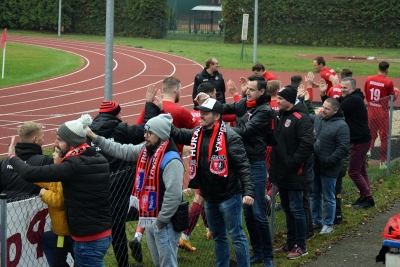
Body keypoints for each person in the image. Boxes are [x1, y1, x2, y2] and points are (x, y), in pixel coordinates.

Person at [8, 114, 112, 267]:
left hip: (87, 239)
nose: (55, 143)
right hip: (102, 234)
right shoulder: (99, 159)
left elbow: (29, 173)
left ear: (71, 143)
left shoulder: (73, 165)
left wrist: (12, 157)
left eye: (60, 140)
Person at [170, 97, 257, 267]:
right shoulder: (198, 133)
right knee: (218, 237)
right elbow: (177, 134)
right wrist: (159, 112)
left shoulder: (230, 136)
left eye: (205, 113)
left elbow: (243, 166)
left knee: (237, 236)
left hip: (229, 196)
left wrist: (248, 192)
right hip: (209, 196)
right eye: (200, 111)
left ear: (217, 116)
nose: (200, 115)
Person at [87, 114, 183, 267]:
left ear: (161, 135)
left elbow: (174, 196)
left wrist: (160, 222)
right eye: (145, 132)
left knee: (168, 264)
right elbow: (120, 150)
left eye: (149, 133)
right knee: (159, 263)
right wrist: (95, 138)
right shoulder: (146, 151)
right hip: (150, 218)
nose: (145, 136)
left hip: (164, 223)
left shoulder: (171, 160)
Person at [87, 86, 161, 266]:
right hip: (121, 189)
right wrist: (150, 105)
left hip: (95, 188)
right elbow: (146, 129)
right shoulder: (121, 130)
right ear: (116, 115)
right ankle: (124, 263)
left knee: (97, 229)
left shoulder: (87, 133)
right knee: (119, 227)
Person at [132, 77, 197, 259]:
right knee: (169, 200)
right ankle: (170, 243)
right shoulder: (180, 111)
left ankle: (138, 234)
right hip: (169, 163)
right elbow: (196, 133)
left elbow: (139, 129)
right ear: (176, 90)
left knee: (148, 198)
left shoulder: (149, 108)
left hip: (149, 162)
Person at [222, 75, 275, 267]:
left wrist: (221, 131)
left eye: (251, 89)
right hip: (240, 163)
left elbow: (245, 131)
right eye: (247, 89)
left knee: (258, 212)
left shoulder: (264, 111)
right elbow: (225, 108)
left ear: (261, 92)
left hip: (255, 164)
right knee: (248, 213)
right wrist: (208, 103)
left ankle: (268, 257)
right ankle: (258, 252)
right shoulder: (244, 103)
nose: (247, 92)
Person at [270, 86, 314, 260]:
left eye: (280, 99)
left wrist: (292, 163)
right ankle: (290, 242)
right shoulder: (280, 116)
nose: (277, 101)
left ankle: (301, 245)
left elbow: (307, 145)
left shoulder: (301, 118)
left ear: (289, 99)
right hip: (282, 173)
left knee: (297, 209)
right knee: (288, 209)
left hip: (296, 173)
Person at [322, 77, 374, 209]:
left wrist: (324, 99)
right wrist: (323, 94)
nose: (342, 90)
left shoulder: (353, 100)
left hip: (360, 141)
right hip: (361, 139)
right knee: (361, 170)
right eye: (341, 87)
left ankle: (368, 198)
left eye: (345, 88)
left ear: (353, 88)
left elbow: (335, 110)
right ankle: (365, 196)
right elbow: (334, 105)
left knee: (353, 172)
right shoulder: (350, 98)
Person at [310, 98, 350, 235]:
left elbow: (343, 148)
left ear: (335, 110)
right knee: (315, 194)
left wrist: (328, 161)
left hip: (329, 167)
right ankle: (316, 220)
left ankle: (328, 223)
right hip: (316, 165)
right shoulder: (319, 119)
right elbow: (307, 116)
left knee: (329, 197)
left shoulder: (342, 126)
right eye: (323, 107)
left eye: (327, 109)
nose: (323, 111)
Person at [37, 147, 73, 267]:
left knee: (59, 262)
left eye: (56, 152)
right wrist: (28, 175)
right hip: (63, 230)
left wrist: (44, 193)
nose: (53, 154)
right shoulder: (58, 174)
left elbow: (59, 201)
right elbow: (45, 180)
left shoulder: (63, 177)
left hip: (64, 232)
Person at [0, 122, 53, 201]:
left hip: (5, 207)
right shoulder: (45, 161)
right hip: (32, 209)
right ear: (35, 139)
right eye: (42, 137)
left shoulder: (5, 161)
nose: (43, 140)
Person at [364, 61, 399, 169]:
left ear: (378, 67)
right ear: (387, 70)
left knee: (371, 134)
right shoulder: (388, 82)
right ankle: (382, 162)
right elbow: (392, 98)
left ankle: (368, 151)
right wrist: (396, 92)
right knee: (384, 137)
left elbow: (366, 93)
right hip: (382, 113)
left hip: (370, 112)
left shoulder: (369, 79)